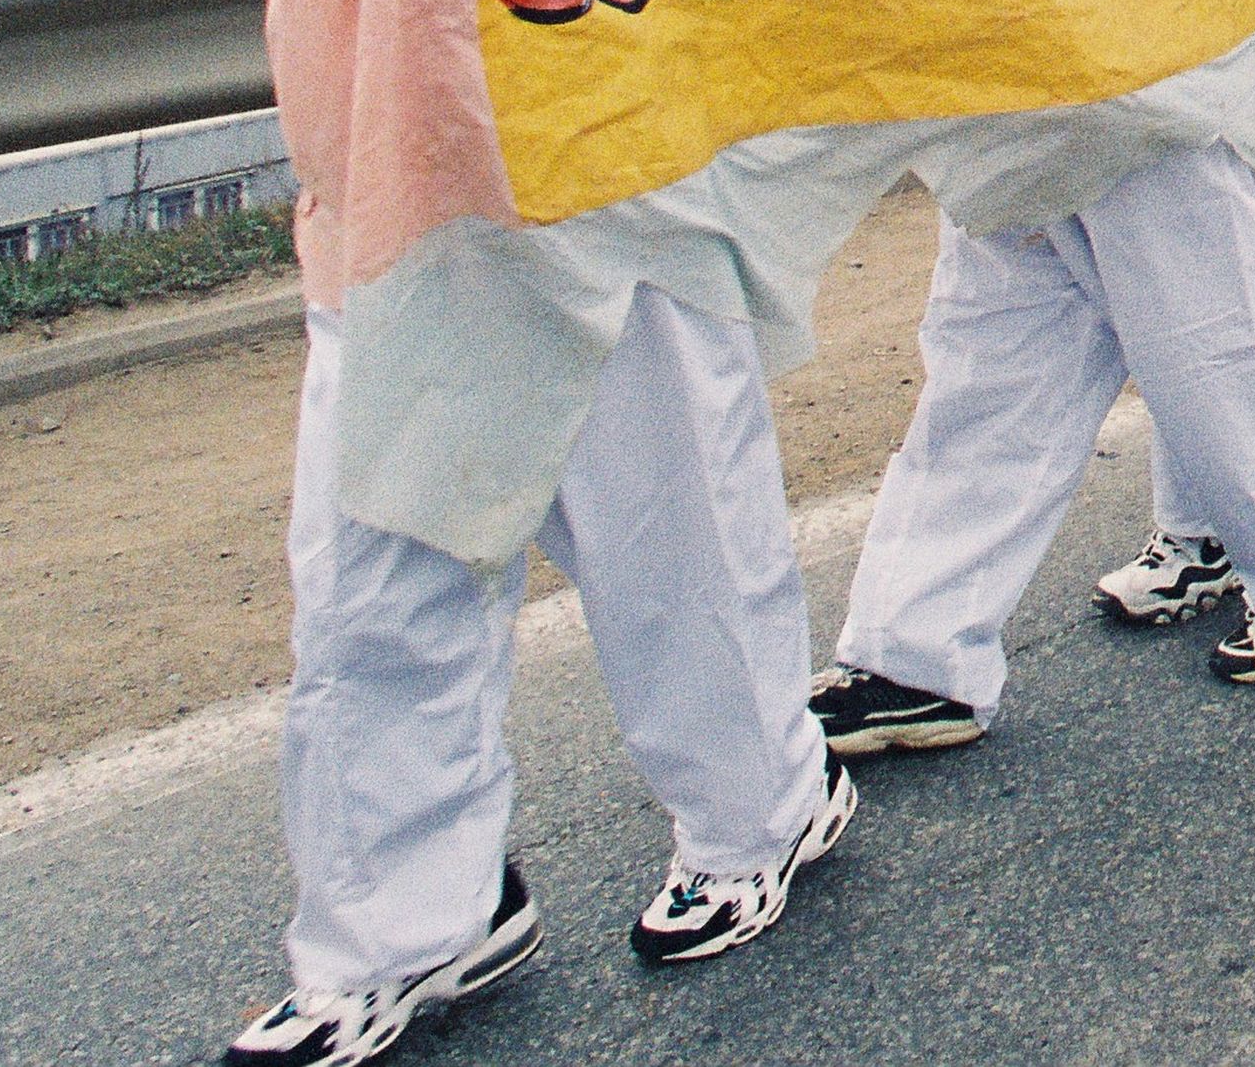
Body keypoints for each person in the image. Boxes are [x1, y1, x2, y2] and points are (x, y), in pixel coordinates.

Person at [229, 284, 849, 1065]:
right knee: (367, 583)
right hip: (389, 219)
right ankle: (412, 918)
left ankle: (762, 808)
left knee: (661, 522)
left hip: (598, 199)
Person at [810, 29, 1255, 746]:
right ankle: (914, 656)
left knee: (1201, 316)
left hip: (1150, 26)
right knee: (994, 355)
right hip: (1007, 55)